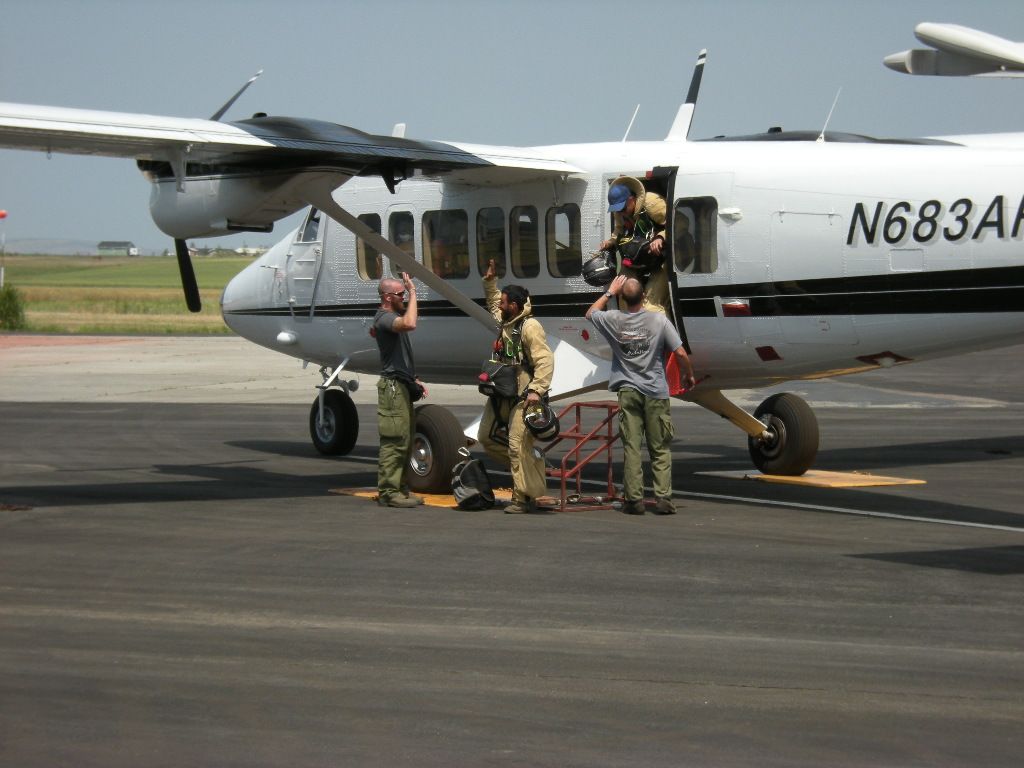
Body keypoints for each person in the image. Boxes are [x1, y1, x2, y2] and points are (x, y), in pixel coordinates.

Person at [586, 274, 696, 515]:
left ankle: (634, 500)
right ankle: (663, 498)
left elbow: (591, 313)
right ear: (644, 297)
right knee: (660, 447)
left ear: (623, 299)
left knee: (632, 447)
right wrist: (688, 375)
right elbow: (680, 353)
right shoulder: (659, 320)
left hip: (628, 391)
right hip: (655, 391)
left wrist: (609, 292)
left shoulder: (613, 319)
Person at [478, 259, 554, 514]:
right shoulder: (507, 319)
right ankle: (530, 463)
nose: (499, 305)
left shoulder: (530, 327)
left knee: (516, 445)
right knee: (485, 437)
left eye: (504, 302)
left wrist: (536, 391)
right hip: (501, 391)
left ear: (514, 305)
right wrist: (490, 282)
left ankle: (521, 498)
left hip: (523, 396)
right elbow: (492, 303)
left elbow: (545, 360)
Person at [372, 272, 426, 508]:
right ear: (387, 297)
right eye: (400, 294)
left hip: (401, 384)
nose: (403, 297)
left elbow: (399, 355)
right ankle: (388, 491)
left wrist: (413, 378)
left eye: (405, 294)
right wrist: (414, 292)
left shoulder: (390, 316)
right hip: (392, 388)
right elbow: (410, 323)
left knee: (404, 439)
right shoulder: (384, 318)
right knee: (394, 440)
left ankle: (401, 488)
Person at [599, 177, 669, 314]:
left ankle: (661, 332)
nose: (620, 213)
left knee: (651, 305)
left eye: (622, 208)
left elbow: (679, 224)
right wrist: (610, 242)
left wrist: (661, 237)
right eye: (617, 210)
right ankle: (630, 330)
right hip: (636, 259)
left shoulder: (651, 203)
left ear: (631, 199)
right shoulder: (621, 212)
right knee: (625, 296)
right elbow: (619, 230)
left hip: (660, 261)